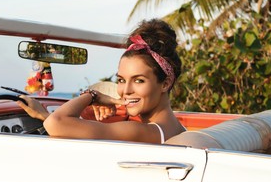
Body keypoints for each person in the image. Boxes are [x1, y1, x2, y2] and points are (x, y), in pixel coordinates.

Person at [18, 18, 185, 143]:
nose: (126, 90)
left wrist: (92, 96)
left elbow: (56, 123)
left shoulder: (144, 132)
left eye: (139, 80)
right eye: (121, 80)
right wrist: (44, 115)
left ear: (166, 83)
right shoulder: (175, 129)